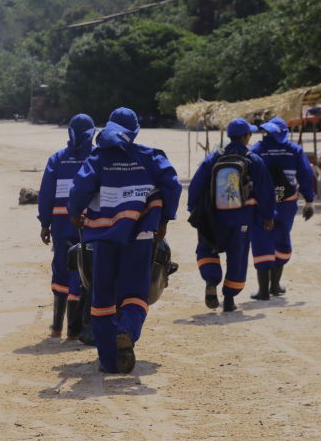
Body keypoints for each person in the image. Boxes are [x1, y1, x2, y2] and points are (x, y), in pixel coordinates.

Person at [68, 108, 181, 374]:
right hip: (140, 237)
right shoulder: (151, 157)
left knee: (102, 298)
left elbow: (80, 188)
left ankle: (108, 361)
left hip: (104, 238)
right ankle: (127, 331)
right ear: (135, 133)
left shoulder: (98, 157)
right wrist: (164, 219)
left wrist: (75, 214)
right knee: (135, 294)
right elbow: (172, 186)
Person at [187, 118, 276, 313]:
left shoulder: (214, 158)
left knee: (207, 248)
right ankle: (229, 299)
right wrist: (268, 215)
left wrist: (192, 207)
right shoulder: (254, 160)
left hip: (213, 217)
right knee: (238, 257)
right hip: (241, 219)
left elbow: (197, 183)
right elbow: (265, 191)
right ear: (246, 136)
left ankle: (211, 280)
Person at [38, 114, 96, 339]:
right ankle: (75, 328)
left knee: (62, 270)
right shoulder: (97, 159)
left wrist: (45, 224)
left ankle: (56, 327)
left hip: (61, 227)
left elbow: (45, 196)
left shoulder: (57, 159)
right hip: (90, 226)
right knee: (85, 274)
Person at [248, 117, 315, 299]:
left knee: (262, 240)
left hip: (261, 206)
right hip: (287, 204)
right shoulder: (294, 150)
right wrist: (309, 200)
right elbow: (306, 175)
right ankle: (275, 286)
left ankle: (263, 291)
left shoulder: (256, 150)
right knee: (281, 239)